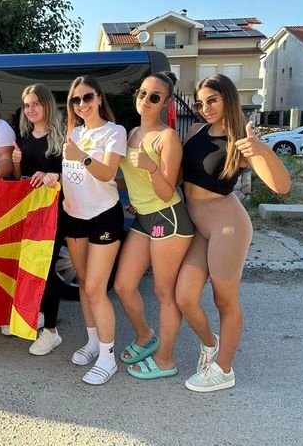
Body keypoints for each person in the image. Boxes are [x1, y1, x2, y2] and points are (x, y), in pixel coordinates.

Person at [176, 74, 291, 392]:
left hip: (227, 225)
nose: (205, 108)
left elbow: (282, 186)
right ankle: (210, 343)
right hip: (198, 225)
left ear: (228, 98)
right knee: (184, 297)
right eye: (200, 103)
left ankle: (224, 369)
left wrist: (261, 150)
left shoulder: (242, 141)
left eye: (212, 100)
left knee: (224, 299)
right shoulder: (196, 130)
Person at [113, 72, 194, 380]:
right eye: (142, 93)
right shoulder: (133, 132)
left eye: (154, 97)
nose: (145, 100)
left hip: (167, 218)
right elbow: (128, 178)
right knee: (123, 285)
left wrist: (150, 168)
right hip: (143, 217)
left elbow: (166, 190)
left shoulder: (167, 137)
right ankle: (146, 336)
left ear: (166, 102)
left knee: (163, 292)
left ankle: (165, 360)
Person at [61, 76, 127, 385]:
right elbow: (69, 175)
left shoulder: (114, 131)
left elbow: (108, 172)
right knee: (84, 284)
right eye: (75, 100)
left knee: (96, 289)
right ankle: (92, 343)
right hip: (74, 216)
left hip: (103, 217)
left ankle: (108, 357)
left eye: (87, 97)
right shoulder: (74, 132)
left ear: (99, 98)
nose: (81, 104)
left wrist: (82, 156)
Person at [12, 83, 65, 356]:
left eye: (35, 103)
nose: (31, 109)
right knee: (30, 265)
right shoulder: (23, 138)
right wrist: (16, 161)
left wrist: (53, 176)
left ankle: (52, 332)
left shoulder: (61, 138)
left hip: (53, 214)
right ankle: (39, 314)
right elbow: (21, 178)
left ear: (46, 104)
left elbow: (70, 176)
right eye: (27, 105)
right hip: (29, 213)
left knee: (47, 270)